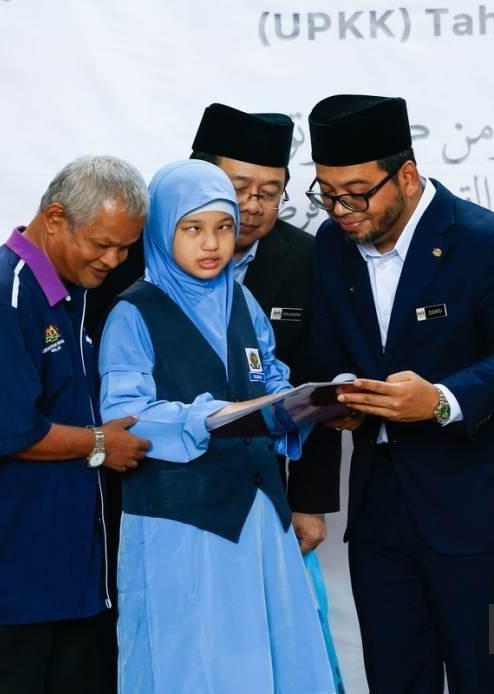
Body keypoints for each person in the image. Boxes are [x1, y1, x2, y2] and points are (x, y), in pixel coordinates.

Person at [306, 94, 494, 693]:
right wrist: (342, 400)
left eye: (357, 193)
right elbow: (328, 351)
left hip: (486, 506)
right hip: (381, 511)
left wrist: (442, 400)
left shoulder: (486, 241)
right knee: (395, 679)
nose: (341, 210)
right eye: (327, 193)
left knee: (492, 681)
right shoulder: (329, 245)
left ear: (406, 176)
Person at [98, 159, 335, 694]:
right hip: (181, 524)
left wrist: (314, 403)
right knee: (194, 665)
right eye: (193, 228)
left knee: (271, 660)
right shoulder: (133, 313)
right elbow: (124, 418)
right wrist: (207, 416)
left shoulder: (242, 301)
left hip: (259, 516)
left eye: (224, 227)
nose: (212, 244)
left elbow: (271, 378)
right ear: (163, 230)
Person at [0, 155, 150, 693]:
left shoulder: (70, 286)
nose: (113, 259)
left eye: (125, 248)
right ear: (55, 218)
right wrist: (101, 443)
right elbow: (4, 432)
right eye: (102, 243)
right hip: (15, 574)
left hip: (75, 572)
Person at [89, 102, 341, 552]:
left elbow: (292, 378)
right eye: (238, 188)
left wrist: (310, 494)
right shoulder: (123, 261)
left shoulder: (304, 261)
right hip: (163, 498)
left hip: (257, 494)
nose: (253, 206)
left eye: (270, 193)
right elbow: (116, 403)